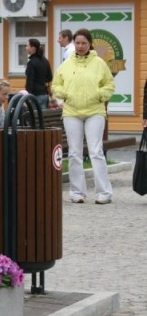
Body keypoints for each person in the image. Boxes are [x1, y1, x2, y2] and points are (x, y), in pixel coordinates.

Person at [52, 28, 115, 204]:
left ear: (90, 44)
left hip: (95, 111)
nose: (80, 46)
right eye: (77, 43)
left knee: (96, 151)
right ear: (74, 43)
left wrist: (99, 95)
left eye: (84, 43)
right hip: (72, 112)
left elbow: (109, 84)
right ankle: (77, 191)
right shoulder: (65, 64)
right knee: (74, 153)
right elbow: (56, 85)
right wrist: (63, 93)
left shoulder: (99, 63)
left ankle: (104, 192)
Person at [24, 38, 53, 109]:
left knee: (34, 118)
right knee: (42, 117)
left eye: (27, 46)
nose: (26, 48)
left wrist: (28, 95)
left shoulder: (31, 62)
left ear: (33, 48)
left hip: (35, 95)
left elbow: (30, 81)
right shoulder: (45, 60)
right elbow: (50, 77)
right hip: (44, 94)